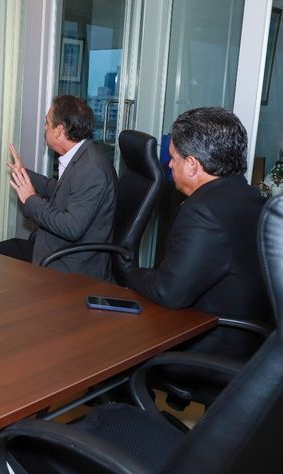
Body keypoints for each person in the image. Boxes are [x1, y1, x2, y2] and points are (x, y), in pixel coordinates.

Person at [115, 107, 272, 361]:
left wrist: (129, 273)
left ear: (192, 165)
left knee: (111, 344)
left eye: (173, 158)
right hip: (253, 345)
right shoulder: (252, 197)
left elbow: (169, 292)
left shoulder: (203, 212)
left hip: (210, 345)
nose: (168, 164)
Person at [0, 96, 117, 281]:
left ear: (60, 129)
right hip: (52, 248)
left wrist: (31, 200)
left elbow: (71, 228)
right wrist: (23, 172)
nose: (44, 127)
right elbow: (56, 189)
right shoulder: (82, 156)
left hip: (68, 264)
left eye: (47, 123)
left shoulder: (91, 169)